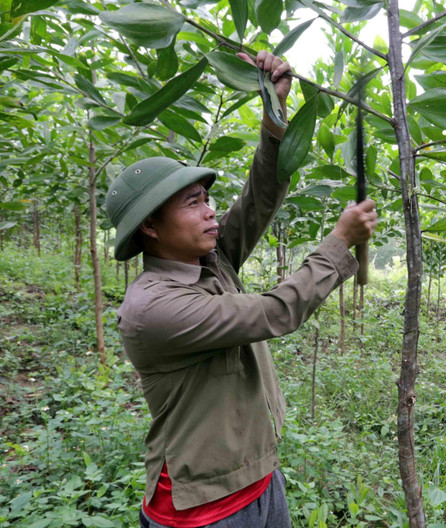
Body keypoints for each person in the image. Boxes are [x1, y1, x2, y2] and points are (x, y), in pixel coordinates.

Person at [104, 51, 378, 528]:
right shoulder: (154, 308)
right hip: (204, 512)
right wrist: (340, 242)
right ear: (150, 225)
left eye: (208, 200)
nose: (211, 211)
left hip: (260, 480)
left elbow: (261, 196)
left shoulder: (209, 259)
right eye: (194, 203)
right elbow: (275, 312)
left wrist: (275, 111)